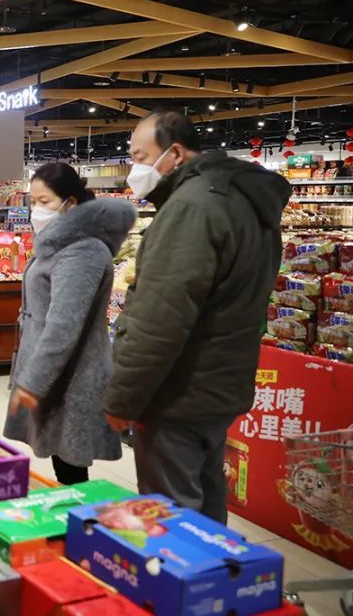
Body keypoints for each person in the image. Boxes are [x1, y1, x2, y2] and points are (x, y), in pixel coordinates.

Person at [105, 110, 291, 523]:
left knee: (172, 516)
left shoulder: (191, 208)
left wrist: (122, 399)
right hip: (221, 383)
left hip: (178, 391)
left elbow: (159, 318)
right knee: (207, 503)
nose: (133, 169)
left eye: (139, 157)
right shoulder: (244, 201)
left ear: (174, 153)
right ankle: (214, 565)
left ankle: (181, 567)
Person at [3, 163, 137, 485]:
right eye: (33, 201)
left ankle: (76, 515)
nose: (36, 210)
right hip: (55, 371)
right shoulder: (57, 243)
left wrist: (33, 381)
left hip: (72, 375)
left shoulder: (82, 251)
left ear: (70, 203)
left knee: (71, 464)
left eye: (45, 201)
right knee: (62, 460)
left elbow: (64, 326)